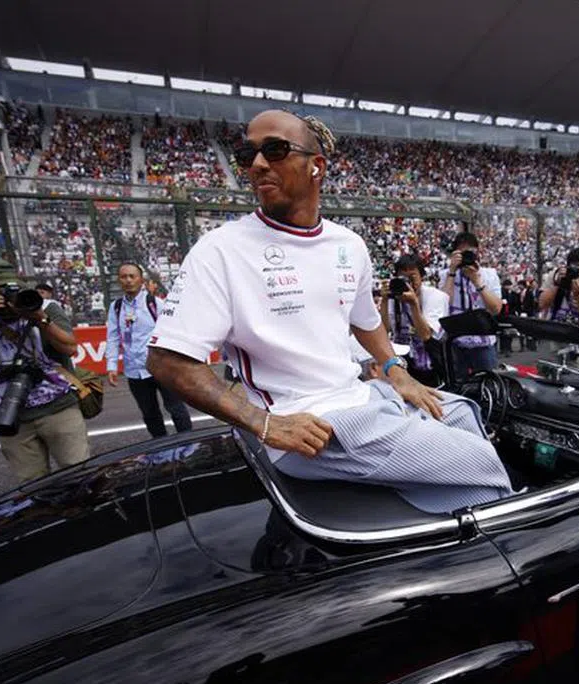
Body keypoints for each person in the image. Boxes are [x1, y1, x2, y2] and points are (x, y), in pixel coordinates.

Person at [146, 110, 513, 513]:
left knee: (466, 414)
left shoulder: (349, 245)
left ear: (316, 166)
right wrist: (264, 424)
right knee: (481, 461)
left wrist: (396, 371)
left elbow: (366, 323)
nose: (257, 164)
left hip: (362, 397)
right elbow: (168, 361)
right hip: (310, 425)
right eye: (246, 153)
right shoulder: (220, 250)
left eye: (275, 149)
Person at [0, 259, 91, 482]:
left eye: (6, 289)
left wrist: (38, 318)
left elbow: (70, 347)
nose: (2, 297)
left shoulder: (44, 307)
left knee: (78, 474)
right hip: (11, 416)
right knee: (32, 482)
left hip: (59, 406)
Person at [106, 261, 193, 437]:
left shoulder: (155, 303)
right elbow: (113, 337)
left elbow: (174, 330)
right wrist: (111, 365)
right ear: (119, 280)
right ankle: (162, 452)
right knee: (150, 414)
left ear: (141, 280)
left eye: (132, 276)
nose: (128, 280)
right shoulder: (116, 307)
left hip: (161, 368)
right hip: (134, 371)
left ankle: (189, 445)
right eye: (124, 277)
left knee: (176, 408)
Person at [440, 232, 503, 380]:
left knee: (488, 385)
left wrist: (477, 281)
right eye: (463, 253)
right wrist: (452, 272)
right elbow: (443, 303)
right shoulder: (446, 275)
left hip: (483, 342)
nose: (467, 257)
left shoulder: (489, 275)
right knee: (457, 384)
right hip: (455, 341)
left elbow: (496, 309)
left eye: (471, 253)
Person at [379, 254, 449, 387]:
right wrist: (385, 300)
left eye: (412, 277)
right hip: (402, 362)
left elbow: (426, 335)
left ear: (422, 276)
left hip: (428, 363)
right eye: (403, 278)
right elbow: (384, 330)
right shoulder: (393, 297)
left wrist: (414, 304)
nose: (408, 283)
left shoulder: (436, 297)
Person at [539, 247, 579, 326]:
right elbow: (542, 305)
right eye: (575, 267)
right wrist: (558, 284)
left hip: (577, 331)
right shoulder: (555, 275)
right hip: (552, 326)